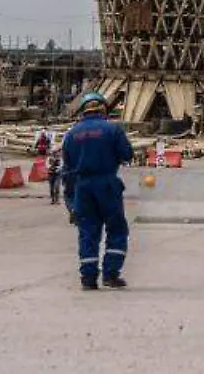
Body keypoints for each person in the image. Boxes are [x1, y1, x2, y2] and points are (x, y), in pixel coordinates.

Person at [62, 92, 134, 291]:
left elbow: (67, 169)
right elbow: (127, 155)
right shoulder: (112, 130)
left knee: (87, 232)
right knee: (116, 229)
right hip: (107, 184)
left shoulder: (71, 134)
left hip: (82, 187)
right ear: (103, 109)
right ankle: (111, 274)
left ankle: (88, 278)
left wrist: (70, 202)